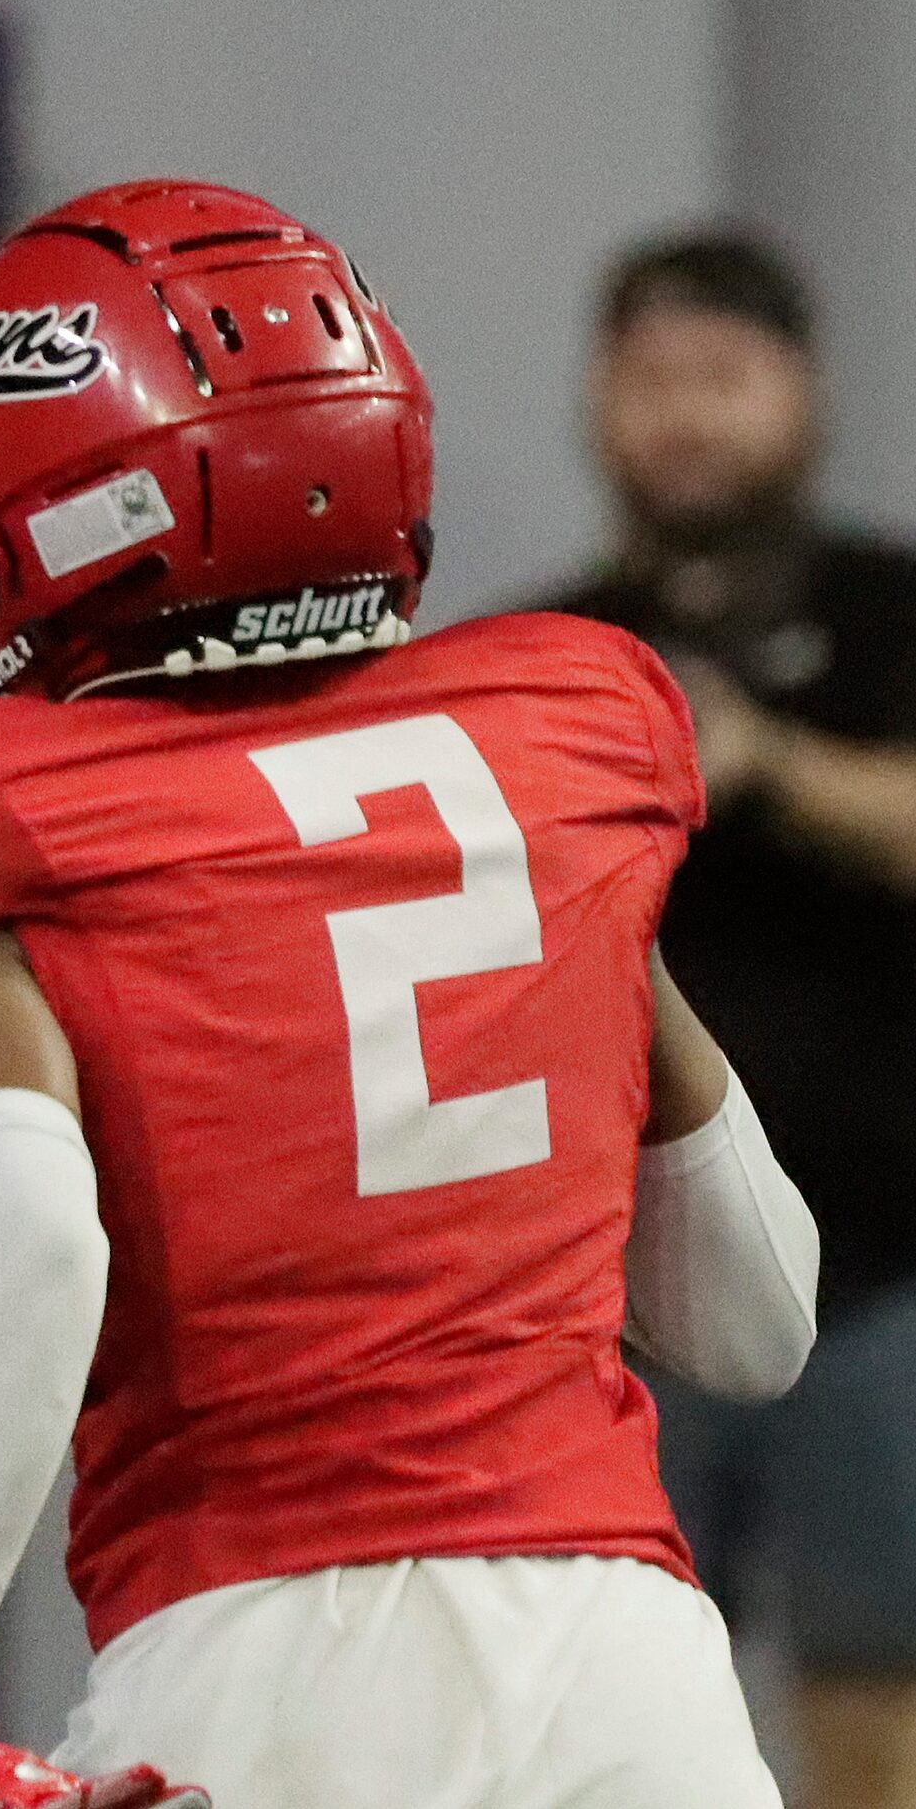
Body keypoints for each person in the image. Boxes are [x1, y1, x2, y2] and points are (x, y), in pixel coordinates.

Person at [0, 180, 821, 1809]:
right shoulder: (565, 728)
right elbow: (753, 1318)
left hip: (260, 1664)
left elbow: (20, 1213)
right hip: (625, 1669)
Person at [563, 231, 916, 1809]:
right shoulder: (545, 654)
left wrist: (760, 760)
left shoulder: (893, 615)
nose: (685, 419)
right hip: (623, 1304)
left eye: (720, 378)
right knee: (619, 1720)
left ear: (802, 391)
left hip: (886, 1278)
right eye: (651, 381)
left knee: (880, 1707)